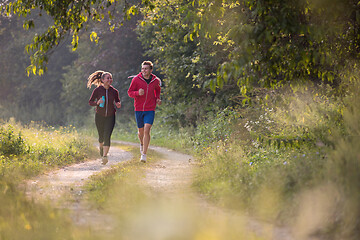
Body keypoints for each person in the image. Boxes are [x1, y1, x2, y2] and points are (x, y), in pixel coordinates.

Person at [127, 61, 161, 163]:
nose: (144, 70)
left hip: (150, 109)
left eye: (146, 69)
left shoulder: (155, 80)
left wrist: (158, 98)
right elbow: (130, 92)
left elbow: (157, 90)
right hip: (138, 109)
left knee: (147, 130)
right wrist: (137, 93)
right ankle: (142, 144)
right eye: (142, 68)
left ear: (151, 70)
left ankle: (144, 154)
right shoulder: (136, 79)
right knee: (141, 132)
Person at [88, 70, 121, 165]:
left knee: (107, 136)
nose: (110, 80)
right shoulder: (97, 90)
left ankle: (105, 156)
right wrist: (97, 103)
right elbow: (90, 102)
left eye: (111, 78)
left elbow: (118, 101)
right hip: (99, 116)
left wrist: (118, 104)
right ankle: (101, 148)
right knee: (101, 136)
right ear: (102, 80)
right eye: (108, 78)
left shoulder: (114, 91)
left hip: (111, 116)